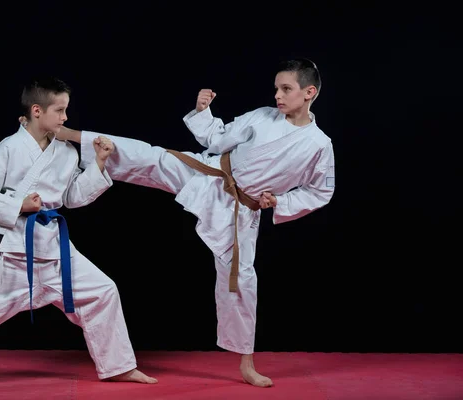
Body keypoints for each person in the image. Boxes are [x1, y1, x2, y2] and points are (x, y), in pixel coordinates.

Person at [43, 58, 335, 388]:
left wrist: (280, 202)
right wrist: (202, 112)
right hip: (208, 172)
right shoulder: (263, 117)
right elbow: (219, 139)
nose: (278, 96)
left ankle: (247, 363)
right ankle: (70, 136)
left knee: (241, 283)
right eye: (276, 88)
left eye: (286, 89)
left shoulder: (319, 145)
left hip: (240, 210)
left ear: (309, 92)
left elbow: (319, 191)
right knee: (152, 157)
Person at [0, 76, 157, 393]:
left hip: (54, 252)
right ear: (37, 110)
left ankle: (118, 367)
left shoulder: (66, 152)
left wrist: (99, 166)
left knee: (102, 291)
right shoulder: (8, 148)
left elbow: (73, 197)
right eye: (59, 110)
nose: (65, 118)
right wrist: (17, 205)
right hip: (10, 253)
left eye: (66, 110)